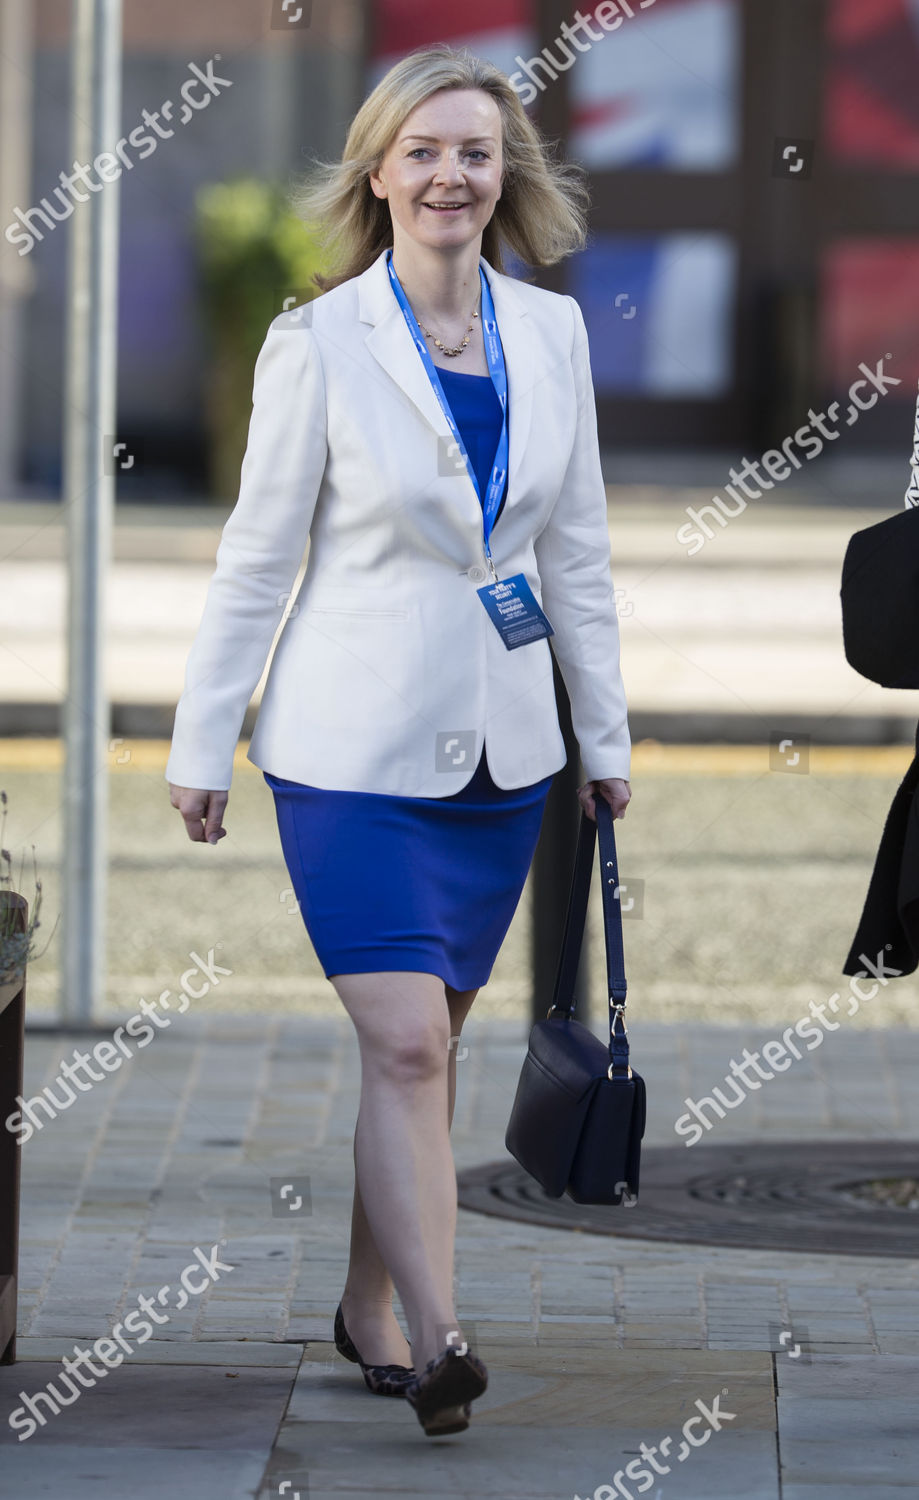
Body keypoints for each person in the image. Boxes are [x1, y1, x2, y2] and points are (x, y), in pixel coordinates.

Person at [165, 43, 631, 1438]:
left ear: (508, 176)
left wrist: (603, 738)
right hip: (347, 755)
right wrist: (203, 741)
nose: (449, 174)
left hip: (504, 758)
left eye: (475, 152)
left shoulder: (551, 336)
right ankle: (440, 1343)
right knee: (410, 1053)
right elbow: (256, 559)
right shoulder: (316, 342)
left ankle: (368, 1303)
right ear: (379, 171)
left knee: (418, 1057)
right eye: (422, 151)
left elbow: (581, 558)